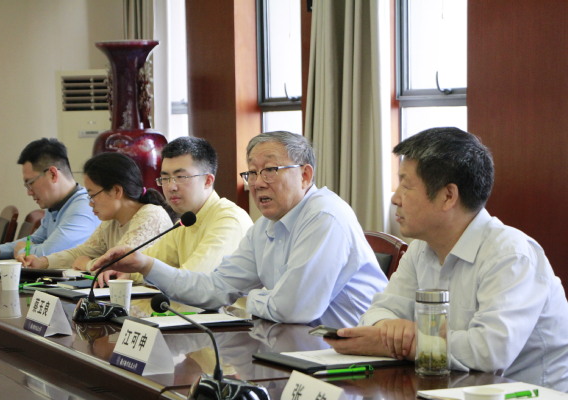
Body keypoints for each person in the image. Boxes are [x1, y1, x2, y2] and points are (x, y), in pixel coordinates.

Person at [326, 127, 568, 391]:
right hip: (454, 389)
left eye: (406, 186)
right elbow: (379, 311)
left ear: (448, 196)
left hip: (527, 394)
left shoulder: (510, 254)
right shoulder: (421, 249)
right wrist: (389, 329)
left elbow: (489, 352)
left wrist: (410, 342)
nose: (395, 198)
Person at [94, 131, 388, 327]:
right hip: (298, 347)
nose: (257, 183)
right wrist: (145, 265)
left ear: (305, 175)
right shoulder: (264, 227)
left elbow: (294, 309)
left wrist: (248, 300)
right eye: (252, 173)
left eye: (269, 170)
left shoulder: (324, 216)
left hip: (353, 361)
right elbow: (214, 289)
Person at [96, 136, 254, 294]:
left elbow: (193, 283)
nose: (171, 187)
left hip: (229, 310)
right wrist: (124, 269)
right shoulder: (186, 221)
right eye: (165, 178)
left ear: (207, 181)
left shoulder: (228, 220)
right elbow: (153, 259)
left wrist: (142, 267)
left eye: (181, 177)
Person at [19, 152, 173, 271]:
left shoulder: (150, 215)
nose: (90, 203)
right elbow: (81, 252)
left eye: (92, 195)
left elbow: (120, 267)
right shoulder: (112, 221)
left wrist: (87, 265)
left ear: (116, 191)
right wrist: (42, 262)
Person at [0, 138, 100, 260]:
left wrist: (21, 250)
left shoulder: (83, 207)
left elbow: (48, 253)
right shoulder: (56, 205)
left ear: (53, 174)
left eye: (30, 183)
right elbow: (35, 239)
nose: (29, 192)